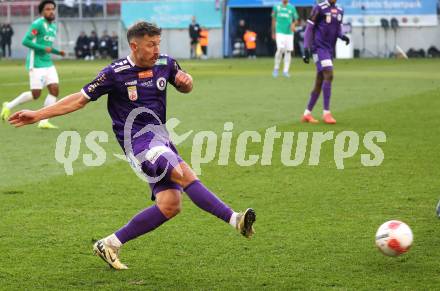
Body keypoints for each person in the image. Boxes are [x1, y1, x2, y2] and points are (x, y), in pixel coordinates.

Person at [8, 21, 256, 270]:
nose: (156, 49)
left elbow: (185, 84)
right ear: (134, 45)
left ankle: (110, 244)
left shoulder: (166, 63)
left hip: (161, 139)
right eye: (151, 45)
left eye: (158, 43)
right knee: (183, 173)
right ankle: (235, 220)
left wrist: (186, 81)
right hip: (138, 144)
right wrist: (39, 115)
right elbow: (79, 99)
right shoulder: (115, 73)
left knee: (170, 205)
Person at [1, 0, 65, 129]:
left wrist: (58, 52)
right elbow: (26, 41)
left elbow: (47, 46)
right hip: (36, 63)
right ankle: (8, 105)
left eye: (53, 9)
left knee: (54, 90)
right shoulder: (37, 24)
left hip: (48, 63)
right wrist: (42, 48)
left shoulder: (53, 26)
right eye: (48, 9)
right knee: (36, 94)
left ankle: (44, 121)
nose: (51, 11)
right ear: (42, 11)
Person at [301, 0, 350, 124]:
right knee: (329, 74)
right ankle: (326, 113)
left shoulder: (340, 10)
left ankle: (307, 113)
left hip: (328, 50)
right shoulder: (319, 8)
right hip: (318, 48)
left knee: (320, 80)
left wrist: (342, 36)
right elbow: (309, 28)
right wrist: (306, 47)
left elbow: (337, 28)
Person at [272, 0, 299, 78]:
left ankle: (285, 71)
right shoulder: (276, 7)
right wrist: (273, 32)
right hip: (279, 31)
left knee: (288, 51)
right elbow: (273, 20)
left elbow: (296, 19)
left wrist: (293, 24)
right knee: (280, 49)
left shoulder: (292, 7)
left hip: (289, 33)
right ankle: (276, 69)